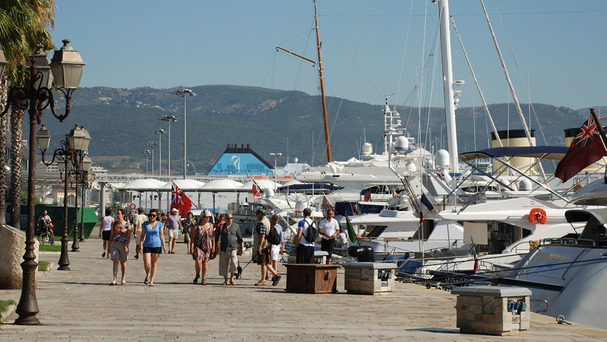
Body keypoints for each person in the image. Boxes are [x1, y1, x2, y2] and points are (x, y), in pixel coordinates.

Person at [253, 208, 280, 286]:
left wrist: (259, 246)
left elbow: (262, 235)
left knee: (264, 262)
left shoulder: (262, 223)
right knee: (264, 263)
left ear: (260, 214)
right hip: (268, 245)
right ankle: (264, 279)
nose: (257, 216)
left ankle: (274, 275)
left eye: (257, 215)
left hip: (264, 245)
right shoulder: (268, 221)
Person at [140, 209, 167, 286]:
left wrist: (164, 246)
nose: (152, 217)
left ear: (156, 216)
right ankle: (147, 274)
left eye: (153, 215)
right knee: (147, 263)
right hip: (147, 245)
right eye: (150, 215)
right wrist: (140, 244)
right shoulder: (145, 224)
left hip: (157, 245)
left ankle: (151, 280)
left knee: (154, 263)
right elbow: (142, 235)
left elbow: (162, 236)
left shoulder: (160, 224)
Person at [218, 213, 243, 285]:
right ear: (225, 219)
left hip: (233, 248)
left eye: (231, 218)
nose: (230, 220)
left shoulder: (236, 226)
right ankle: (226, 280)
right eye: (228, 218)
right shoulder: (222, 227)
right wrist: (215, 247)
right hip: (224, 248)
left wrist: (240, 248)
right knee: (223, 265)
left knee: (233, 262)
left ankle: (231, 278)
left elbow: (239, 237)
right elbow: (217, 236)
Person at [191, 210, 214, 285]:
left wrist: (214, 246)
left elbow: (213, 237)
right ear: (201, 217)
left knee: (205, 263)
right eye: (205, 217)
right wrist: (191, 247)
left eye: (208, 217)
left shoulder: (210, 226)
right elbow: (193, 238)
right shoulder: (197, 226)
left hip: (208, 246)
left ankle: (203, 279)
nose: (207, 219)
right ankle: (197, 274)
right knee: (198, 261)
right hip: (199, 246)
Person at [109, 209, 131, 285]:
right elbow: (111, 235)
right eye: (116, 213)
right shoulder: (113, 224)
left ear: (123, 215)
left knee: (123, 262)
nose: (117, 215)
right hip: (115, 244)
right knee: (115, 261)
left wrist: (126, 245)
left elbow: (128, 237)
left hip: (123, 245)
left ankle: (123, 278)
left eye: (119, 214)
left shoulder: (127, 225)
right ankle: (114, 279)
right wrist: (109, 247)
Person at [269, 214, 285, 281]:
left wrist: (282, 247)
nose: (275, 223)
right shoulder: (269, 226)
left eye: (276, 222)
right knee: (268, 260)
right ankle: (267, 274)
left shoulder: (279, 227)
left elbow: (281, 238)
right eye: (274, 221)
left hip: (276, 245)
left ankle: (274, 275)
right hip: (269, 244)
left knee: (274, 260)